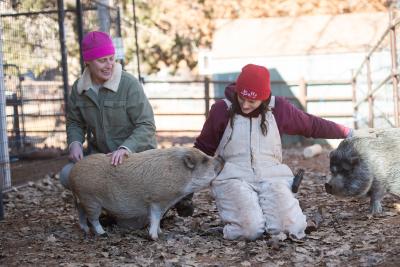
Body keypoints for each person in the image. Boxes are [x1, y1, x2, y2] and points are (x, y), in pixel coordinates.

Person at [194, 64, 352, 240]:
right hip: (233, 178)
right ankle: (246, 220)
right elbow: (202, 149)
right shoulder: (221, 110)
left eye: (252, 101)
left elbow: (312, 125)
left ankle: (268, 217)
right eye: (242, 98)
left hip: (272, 176)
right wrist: (183, 188)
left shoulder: (279, 109)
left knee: (291, 227)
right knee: (249, 230)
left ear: (264, 98)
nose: (245, 105)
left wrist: (348, 133)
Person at [60, 31, 193, 218]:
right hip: (104, 159)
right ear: (88, 62)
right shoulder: (79, 88)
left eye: (111, 59)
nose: (109, 65)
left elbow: (146, 124)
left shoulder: (129, 84)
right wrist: (74, 142)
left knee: (132, 225)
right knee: (68, 174)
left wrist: (125, 148)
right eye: (102, 60)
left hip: (137, 160)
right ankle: (109, 206)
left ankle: (171, 198)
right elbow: (74, 121)